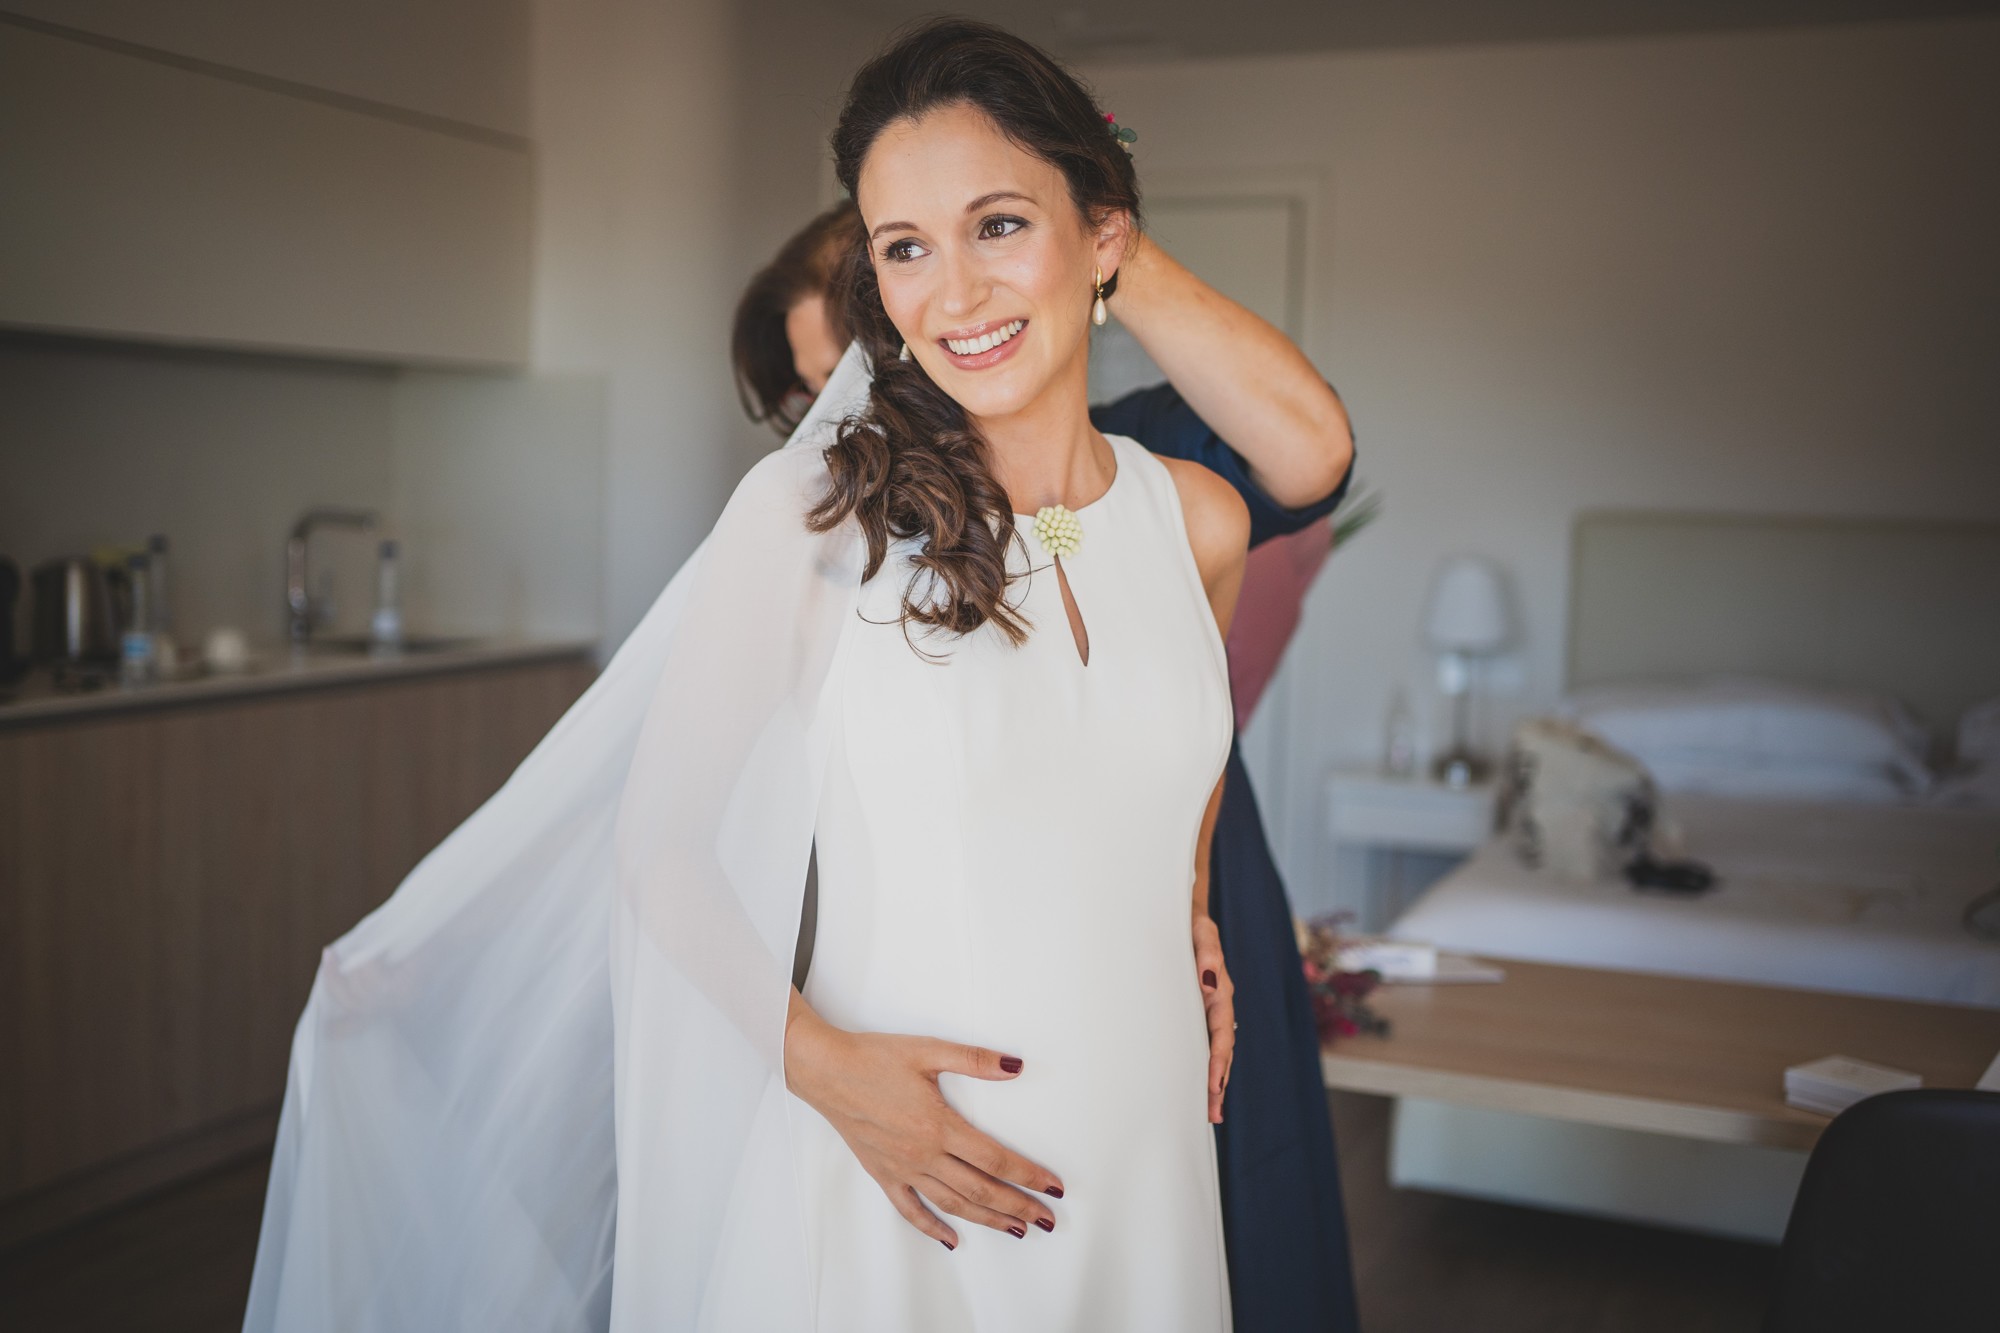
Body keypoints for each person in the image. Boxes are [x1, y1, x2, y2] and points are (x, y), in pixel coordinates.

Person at [730, 155, 1362, 1333]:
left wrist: (1083, 204)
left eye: (848, 367)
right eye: (814, 389)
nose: (842, 411)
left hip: (1157, 981)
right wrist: (811, 1050)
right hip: (936, 1027)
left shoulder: (1158, 487)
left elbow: (1310, 454)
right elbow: (684, 847)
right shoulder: (821, 529)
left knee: (1235, 1239)